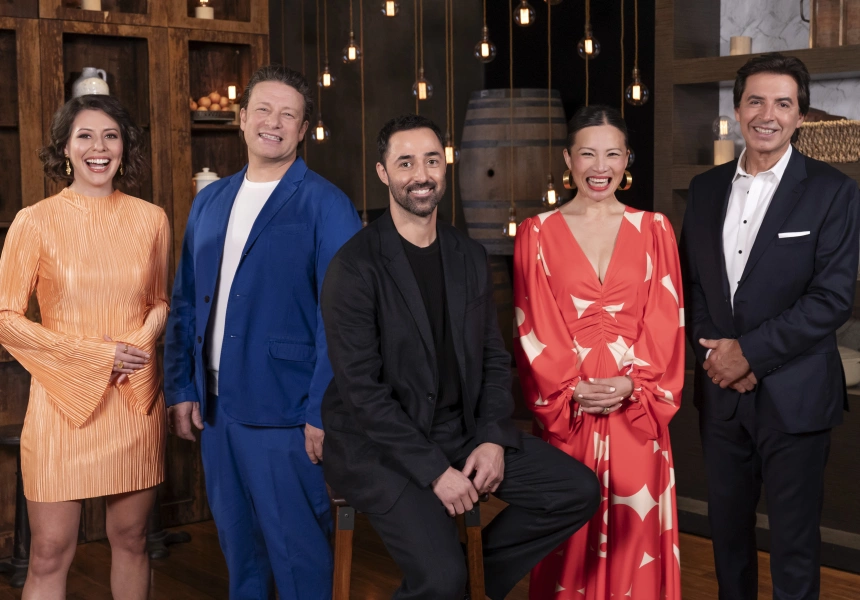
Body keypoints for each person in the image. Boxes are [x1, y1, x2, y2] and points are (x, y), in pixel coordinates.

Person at [321, 113, 600, 600]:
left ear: (445, 167)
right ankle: (455, 584)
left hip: (460, 430)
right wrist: (434, 472)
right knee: (442, 578)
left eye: (432, 160)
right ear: (383, 173)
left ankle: (473, 585)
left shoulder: (467, 255)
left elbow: (494, 358)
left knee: (575, 492)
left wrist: (492, 437)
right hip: (381, 447)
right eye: (405, 163)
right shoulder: (354, 267)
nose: (421, 174)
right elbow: (363, 394)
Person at [163, 65, 361, 599]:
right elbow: (185, 300)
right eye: (264, 110)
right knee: (239, 550)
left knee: (298, 556)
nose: (273, 122)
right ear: (242, 118)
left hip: (286, 410)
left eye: (288, 115)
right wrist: (181, 388)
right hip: (216, 409)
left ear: (301, 131)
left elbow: (343, 320)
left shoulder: (326, 203)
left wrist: (322, 411)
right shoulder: (210, 201)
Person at [681, 53, 860, 600]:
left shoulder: (833, 190)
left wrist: (749, 356)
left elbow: (831, 300)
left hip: (796, 396)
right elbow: (694, 285)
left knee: (793, 545)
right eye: (755, 100)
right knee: (727, 539)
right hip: (721, 397)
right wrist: (719, 357)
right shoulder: (705, 188)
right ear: (737, 110)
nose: (768, 113)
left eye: (783, 103)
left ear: (800, 116)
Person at [513, 105, 685, 599]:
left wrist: (635, 384)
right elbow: (531, 321)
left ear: (627, 159)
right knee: (569, 539)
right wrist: (570, 390)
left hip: (638, 411)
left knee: (637, 535)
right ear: (568, 159)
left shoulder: (655, 229)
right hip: (570, 410)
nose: (599, 166)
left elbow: (666, 317)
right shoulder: (536, 233)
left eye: (612, 153)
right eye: (587, 153)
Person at [0, 94, 168, 599]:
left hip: (132, 399)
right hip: (59, 405)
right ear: (65, 149)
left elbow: (160, 301)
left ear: (124, 147)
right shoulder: (35, 220)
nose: (100, 147)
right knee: (49, 551)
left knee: (133, 539)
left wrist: (136, 345)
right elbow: (5, 319)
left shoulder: (152, 219)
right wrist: (98, 356)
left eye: (111, 136)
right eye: (85, 136)